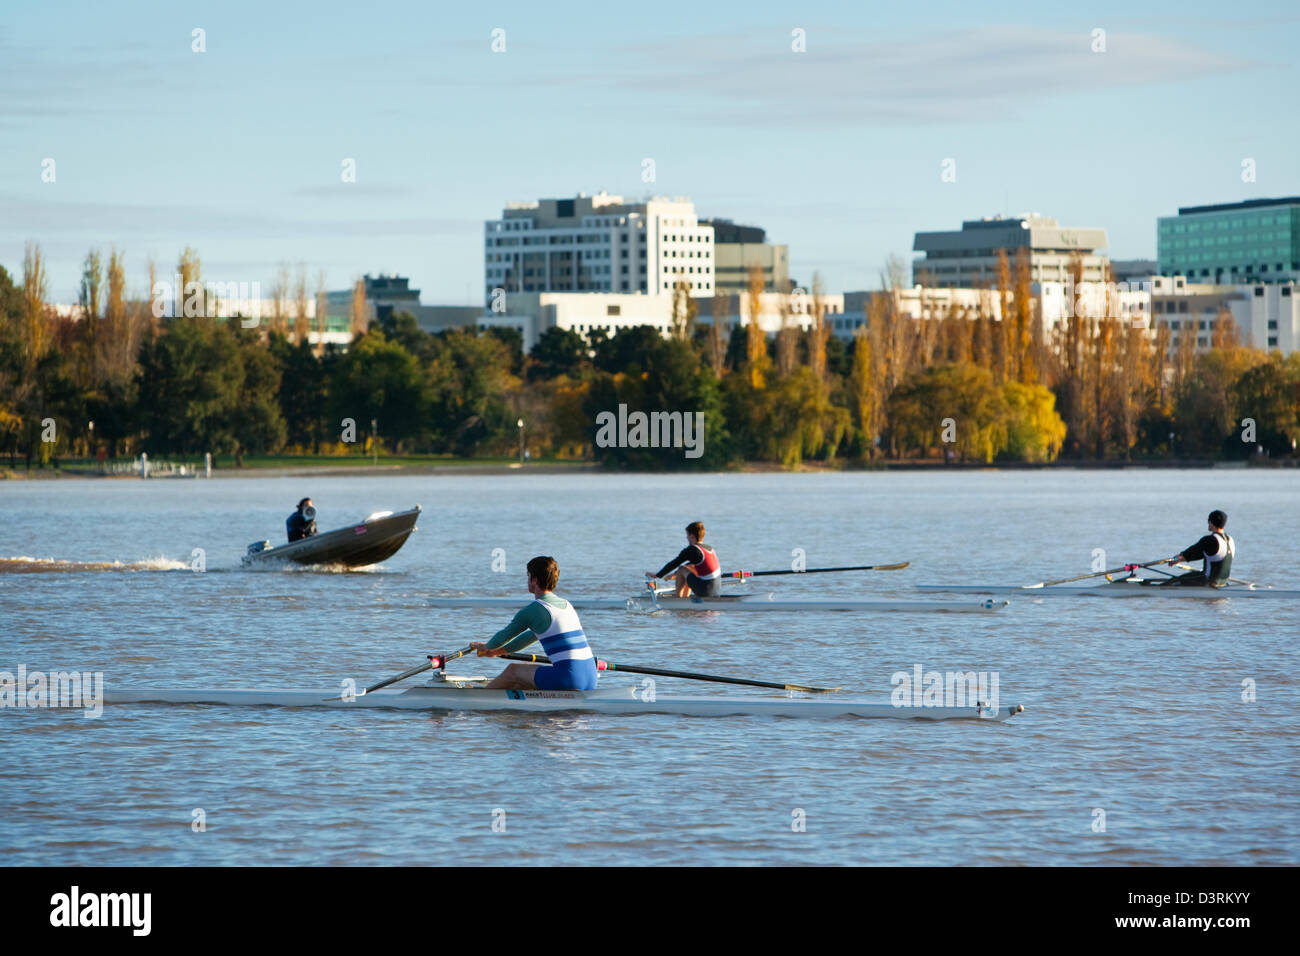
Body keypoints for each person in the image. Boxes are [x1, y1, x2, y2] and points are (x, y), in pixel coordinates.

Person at [470, 556, 598, 691]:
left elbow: (504, 636)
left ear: (535, 580)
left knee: (513, 670)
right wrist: (497, 651)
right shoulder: (567, 605)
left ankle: (481, 700)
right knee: (521, 681)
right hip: (591, 676)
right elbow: (529, 637)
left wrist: (486, 646)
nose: (527, 580)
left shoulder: (534, 610)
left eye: (528, 576)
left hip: (568, 678)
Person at [645, 521, 721, 598]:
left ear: (691, 536)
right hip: (716, 590)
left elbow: (675, 563)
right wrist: (675, 573)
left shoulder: (692, 550)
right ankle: (685, 598)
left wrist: (657, 575)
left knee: (681, 569)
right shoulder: (709, 549)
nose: (686, 538)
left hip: (705, 590)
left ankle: (679, 600)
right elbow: (691, 564)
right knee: (689, 569)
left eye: (687, 535)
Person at [1161, 509, 1235, 587]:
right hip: (1223, 582)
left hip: (1207, 581)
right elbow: (1199, 554)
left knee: (1174, 581)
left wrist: (1176, 559)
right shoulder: (1230, 540)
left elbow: (1191, 552)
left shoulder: (1210, 540)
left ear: (1210, 522)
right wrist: (1182, 558)